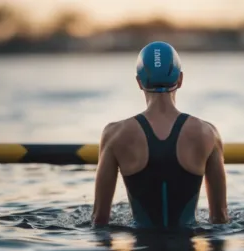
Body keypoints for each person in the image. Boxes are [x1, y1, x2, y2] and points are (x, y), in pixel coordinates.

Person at [92, 41, 228, 228]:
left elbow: (99, 219)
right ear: (180, 79)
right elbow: (220, 218)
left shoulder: (115, 134)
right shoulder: (208, 133)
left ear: (139, 82)